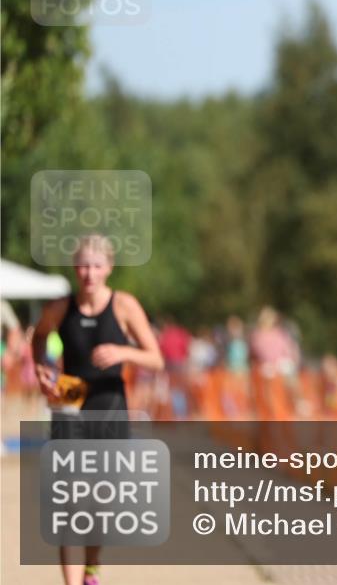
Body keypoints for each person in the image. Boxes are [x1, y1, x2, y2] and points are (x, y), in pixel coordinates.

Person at [31, 234, 164, 585]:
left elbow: (157, 359)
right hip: (69, 398)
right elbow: (39, 335)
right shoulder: (61, 307)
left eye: (96, 266)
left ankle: (91, 567)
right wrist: (41, 367)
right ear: (75, 268)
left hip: (110, 405)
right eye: (82, 266)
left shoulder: (123, 306)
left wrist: (124, 353)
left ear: (109, 268)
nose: (88, 273)